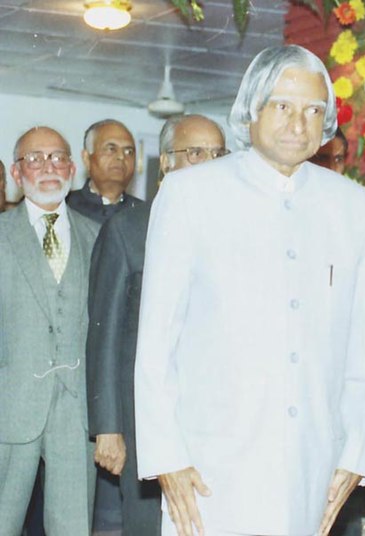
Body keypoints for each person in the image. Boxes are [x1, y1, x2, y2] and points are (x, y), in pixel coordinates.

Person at [134, 45, 365, 536]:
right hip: (207, 471)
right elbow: (157, 343)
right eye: (283, 106)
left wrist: (356, 453)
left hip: (312, 468)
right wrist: (168, 457)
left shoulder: (353, 207)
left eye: (314, 110)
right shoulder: (190, 194)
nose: (299, 122)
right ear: (251, 109)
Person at [86, 114, 228, 536]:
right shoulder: (128, 229)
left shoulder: (235, 233)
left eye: (218, 154)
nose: (208, 163)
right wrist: (108, 428)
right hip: (144, 417)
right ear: (165, 162)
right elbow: (104, 335)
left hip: (215, 415)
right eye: (195, 153)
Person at [0, 126, 99, 534]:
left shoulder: (98, 236)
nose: (48, 168)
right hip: (9, 409)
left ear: (73, 169)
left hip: (77, 418)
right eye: (34, 159)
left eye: (58, 158)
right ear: (16, 174)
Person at [67, 119, 142, 223]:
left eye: (128, 151)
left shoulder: (145, 213)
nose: (121, 156)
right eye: (111, 149)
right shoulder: (65, 207)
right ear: (87, 158)